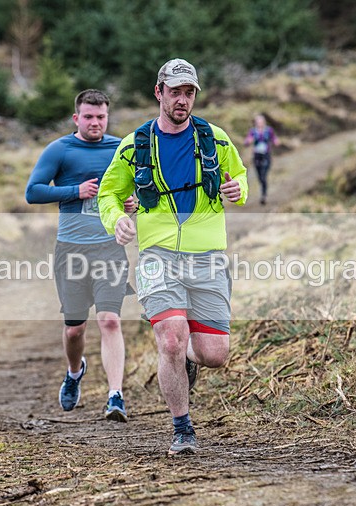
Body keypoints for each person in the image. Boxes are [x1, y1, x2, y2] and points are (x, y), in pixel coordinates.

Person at [98, 58, 248, 455]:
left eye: (189, 93)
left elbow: (240, 175)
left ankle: (188, 359)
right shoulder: (135, 145)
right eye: (175, 92)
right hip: (157, 255)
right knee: (170, 338)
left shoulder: (214, 137)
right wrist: (116, 220)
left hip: (208, 256)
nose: (183, 100)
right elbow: (109, 193)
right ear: (158, 92)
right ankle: (182, 429)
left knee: (215, 355)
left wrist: (239, 191)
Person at [25, 89, 136, 422]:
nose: (95, 123)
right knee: (75, 329)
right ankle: (75, 371)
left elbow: (136, 191)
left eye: (101, 117)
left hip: (109, 248)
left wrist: (132, 204)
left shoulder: (119, 149)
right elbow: (33, 191)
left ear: (107, 117)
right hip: (71, 251)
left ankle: (115, 396)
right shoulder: (60, 149)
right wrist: (75, 191)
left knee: (110, 320)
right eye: (88, 117)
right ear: (77, 118)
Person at [243, 113, 279, 205]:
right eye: (257, 122)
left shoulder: (269, 130)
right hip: (257, 156)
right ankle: (263, 192)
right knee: (260, 176)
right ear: (255, 123)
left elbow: (274, 138)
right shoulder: (253, 131)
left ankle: (264, 195)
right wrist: (248, 141)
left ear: (264, 122)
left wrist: (276, 141)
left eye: (261, 121)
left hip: (266, 155)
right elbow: (246, 141)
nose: (259, 123)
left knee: (263, 176)